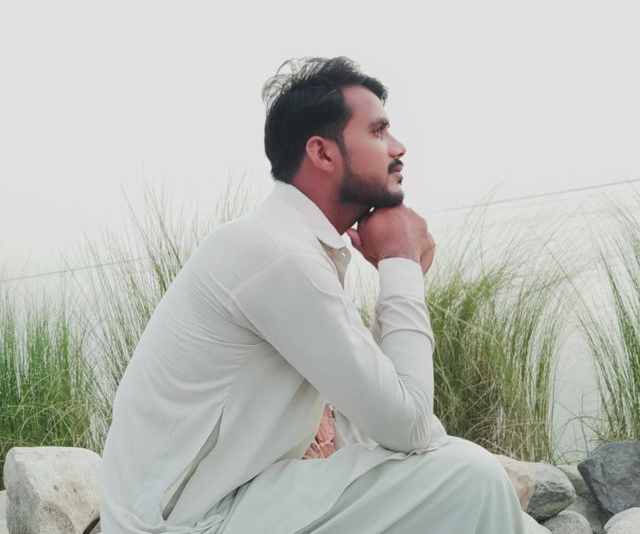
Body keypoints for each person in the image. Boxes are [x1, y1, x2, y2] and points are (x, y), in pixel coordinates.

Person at [99, 57, 525, 533]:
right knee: (472, 478)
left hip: (239, 500)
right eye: (378, 131)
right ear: (322, 153)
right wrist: (401, 264)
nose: (398, 147)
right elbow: (411, 429)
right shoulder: (277, 254)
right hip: (186, 523)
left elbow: (376, 418)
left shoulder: (292, 247)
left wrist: (396, 271)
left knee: (506, 514)